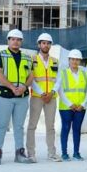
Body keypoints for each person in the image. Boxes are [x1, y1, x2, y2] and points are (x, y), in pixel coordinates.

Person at [0, 29, 34, 165]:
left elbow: (31, 76)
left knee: (19, 126)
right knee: (2, 124)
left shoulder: (27, 57)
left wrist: (24, 87)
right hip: (4, 95)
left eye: (18, 39)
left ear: (21, 41)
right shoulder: (0, 55)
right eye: (13, 39)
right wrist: (11, 87)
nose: (16, 42)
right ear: (8, 40)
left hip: (21, 96)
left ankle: (20, 153)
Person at [26, 32, 58, 162]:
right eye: (43, 43)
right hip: (37, 96)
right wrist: (42, 93)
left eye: (48, 43)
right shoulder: (32, 60)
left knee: (50, 126)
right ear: (39, 44)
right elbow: (30, 79)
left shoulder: (55, 61)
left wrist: (51, 92)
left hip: (51, 97)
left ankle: (51, 153)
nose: (46, 45)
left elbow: (58, 79)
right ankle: (31, 153)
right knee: (32, 125)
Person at [54, 49, 87, 161]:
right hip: (66, 107)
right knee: (65, 128)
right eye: (73, 59)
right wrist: (70, 104)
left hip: (80, 107)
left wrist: (83, 104)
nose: (75, 61)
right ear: (69, 60)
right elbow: (60, 90)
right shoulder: (63, 73)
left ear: (80, 61)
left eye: (77, 59)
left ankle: (76, 153)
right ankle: (64, 153)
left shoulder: (85, 74)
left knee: (77, 129)